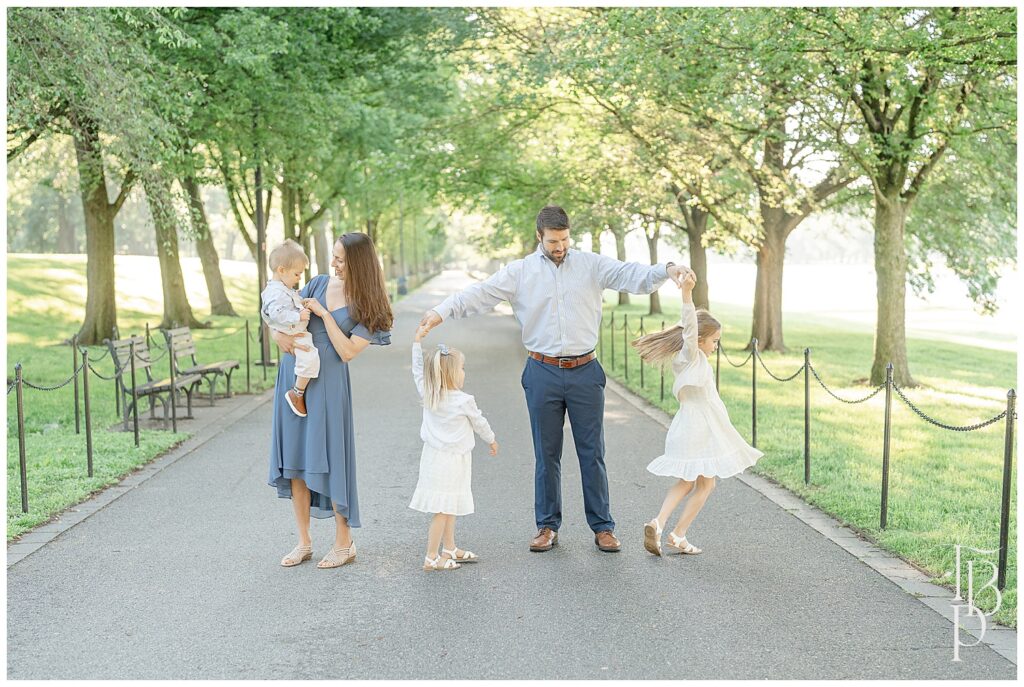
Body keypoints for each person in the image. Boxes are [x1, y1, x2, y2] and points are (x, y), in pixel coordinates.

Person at [418, 205, 690, 554]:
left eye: (563, 239)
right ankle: (547, 526)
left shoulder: (590, 264)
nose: (559, 246)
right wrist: (440, 312)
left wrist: (668, 269)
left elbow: (631, 275)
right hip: (541, 370)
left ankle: (603, 527)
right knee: (547, 454)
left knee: (592, 453)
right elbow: (479, 295)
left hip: (585, 371)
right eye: (552, 241)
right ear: (539, 237)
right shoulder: (520, 272)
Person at [269, 232, 392, 569]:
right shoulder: (317, 283)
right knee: (295, 458)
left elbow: (349, 350)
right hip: (295, 376)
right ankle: (304, 542)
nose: (333, 263)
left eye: (340, 258)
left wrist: (324, 315)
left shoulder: (371, 302)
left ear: (358, 262)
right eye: (334, 256)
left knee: (331, 458)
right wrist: (277, 333)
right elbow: (283, 313)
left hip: (329, 384)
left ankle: (343, 542)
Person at [632, 271, 763, 557]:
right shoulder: (690, 355)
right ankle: (676, 533)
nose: (716, 346)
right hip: (700, 427)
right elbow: (690, 326)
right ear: (700, 339)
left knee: (691, 482)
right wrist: (687, 294)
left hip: (687, 425)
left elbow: (690, 331)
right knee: (705, 483)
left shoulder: (688, 358)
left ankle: (661, 524)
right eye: (714, 340)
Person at [409, 326, 499, 572]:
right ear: (451, 374)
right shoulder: (463, 401)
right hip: (451, 461)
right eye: (461, 368)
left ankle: (449, 548)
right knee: (442, 508)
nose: (463, 372)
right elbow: (480, 422)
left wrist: (417, 343)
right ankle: (430, 557)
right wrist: (491, 440)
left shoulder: (430, 394)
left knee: (448, 505)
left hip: (436, 459)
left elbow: (418, 371)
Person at [260, 240, 319, 417]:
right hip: (293, 332)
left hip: (296, 331)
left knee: (310, 357)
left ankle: (299, 390)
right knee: (310, 358)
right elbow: (277, 314)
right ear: (281, 270)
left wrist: (299, 299)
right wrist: (298, 316)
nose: (299, 278)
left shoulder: (283, 288)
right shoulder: (275, 292)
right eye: (297, 274)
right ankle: (297, 393)